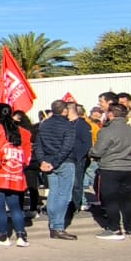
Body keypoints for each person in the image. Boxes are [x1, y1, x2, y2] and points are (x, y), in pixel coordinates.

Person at [0, 104, 32, 247]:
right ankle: (21, 236)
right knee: (15, 206)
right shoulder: (23, 132)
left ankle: (2, 235)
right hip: (15, 173)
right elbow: (27, 156)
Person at [89, 104, 131, 240]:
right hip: (128, 168)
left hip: (110, 168)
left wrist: (92, 153)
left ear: (111, 114)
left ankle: (114, 229)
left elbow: (98, 150)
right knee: (129, 198)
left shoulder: (107, 131)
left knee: (110, 199)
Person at [35, 100, 79, 241]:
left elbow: (38, 145)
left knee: (53, 194)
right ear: (65, 111)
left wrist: (43, 161)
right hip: (63, 163)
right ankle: (58, 226)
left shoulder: (44, 124)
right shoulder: (68, 126)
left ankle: (54, 224)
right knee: (64, 196)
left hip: (48, 161)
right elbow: (67, 147)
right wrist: (53, 163)